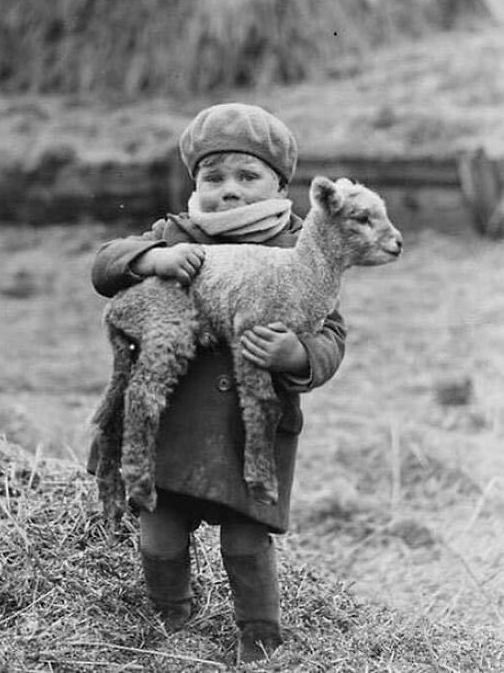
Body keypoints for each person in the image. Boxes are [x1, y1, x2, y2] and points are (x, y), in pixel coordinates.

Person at [88, 102, 347, 665]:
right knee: (160, 533)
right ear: (195, 184)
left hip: (246, 430)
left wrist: (297, 353)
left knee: (247, 541)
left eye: (247, 177)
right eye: (214, 178)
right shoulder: (177, 235)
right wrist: (153, 258)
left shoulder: (301, 248)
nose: (229, 191)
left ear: (280, 184)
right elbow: (105, 266)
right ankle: (170, 621)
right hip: (177, 421)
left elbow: (332, 335)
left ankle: (259, 635)